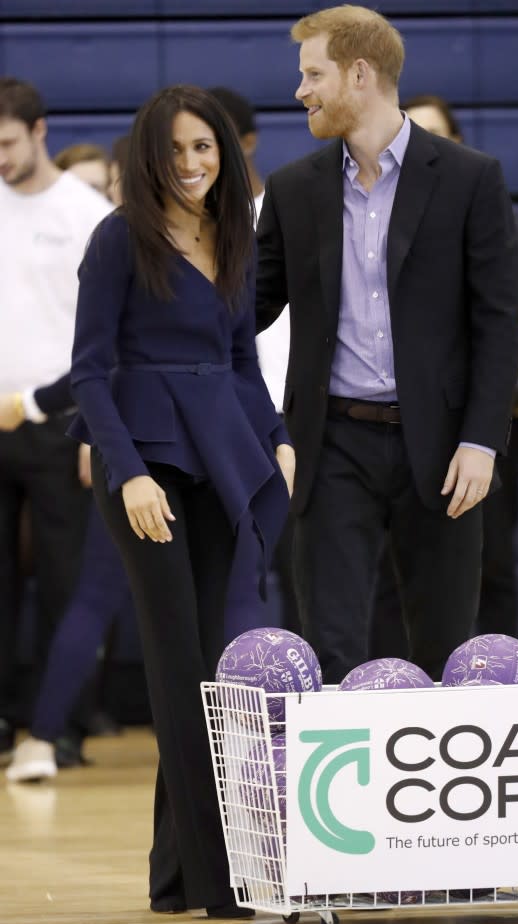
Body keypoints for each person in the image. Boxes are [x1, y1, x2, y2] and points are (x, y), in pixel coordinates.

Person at [69, 84, 292, 917]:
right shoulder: (118, 238)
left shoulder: (235, 232)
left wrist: (277, 438)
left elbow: (243, 363)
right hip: (147, 466)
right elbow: (90, 370)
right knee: (180, 670)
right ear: (147, 156)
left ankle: (175, 878)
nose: (192, 165)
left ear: (226, 153)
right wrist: (127, 473)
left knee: (210, 669)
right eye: (175, 150)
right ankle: (223, 879)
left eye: (205, 148)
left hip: (225, 459)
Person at [256, 6, 518, 684]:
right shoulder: (292, 189)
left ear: (360, 73)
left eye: (312, 74)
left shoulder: (470, 178)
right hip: (334, 441)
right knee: (332, 646)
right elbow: (247, 308)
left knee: (443, 646)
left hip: (440, 447)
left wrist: (482, 439)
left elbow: (499, 320)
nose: (301, 91)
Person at [398, 93, 518, 640]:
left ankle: (502, 677)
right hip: (412, 416)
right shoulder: (379, 215)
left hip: (493, 412)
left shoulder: (488, 205)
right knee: (410, 560)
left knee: (493, 553)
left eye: (438, 134)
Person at [0, 77, 112, 763]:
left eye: (7, 142)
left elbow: (105, 332)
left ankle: (57, 723)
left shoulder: (86, 212)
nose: (0, 156)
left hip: (58, 415)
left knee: (66, 578)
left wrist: (94, 425)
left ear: (40, 132)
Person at [208, 86, 301, 638]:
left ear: (247, 141)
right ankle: (232, 712)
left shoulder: (291, 209)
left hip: (296, 414)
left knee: (304, 572)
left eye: (217, 141)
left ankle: (308, 707)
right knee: (234, 575)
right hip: (225, 421)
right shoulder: (191, 232)